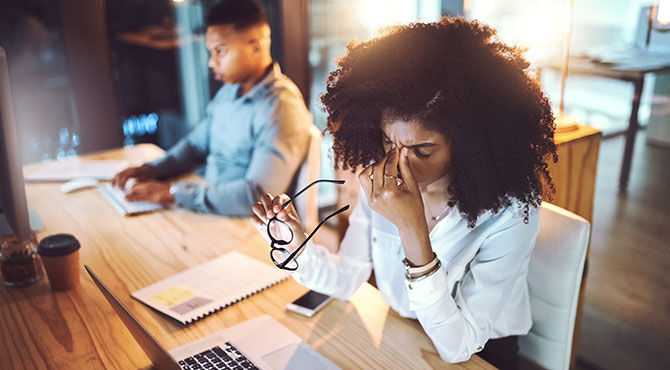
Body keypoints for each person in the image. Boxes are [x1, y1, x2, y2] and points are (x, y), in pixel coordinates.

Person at [251, 18, 557, 369]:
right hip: (401, 330)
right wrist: (296, 245)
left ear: (470, 145)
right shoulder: (379, 173)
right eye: (387, 141)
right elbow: (349, 276)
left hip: (480, 353)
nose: (399, 164)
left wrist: (413, 232)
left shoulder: (509, 213)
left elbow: (458, 347)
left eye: (423, 151)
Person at [112, 0, 313, 216]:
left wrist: (174, 194)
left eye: (220, 51)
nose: (211, 62)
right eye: (211, 52)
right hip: (210, 207)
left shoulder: (281, 108)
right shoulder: (230, 91)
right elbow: (194, 146)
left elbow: (258, 196)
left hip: (246, 224)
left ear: (256, 46)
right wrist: (151, 170)